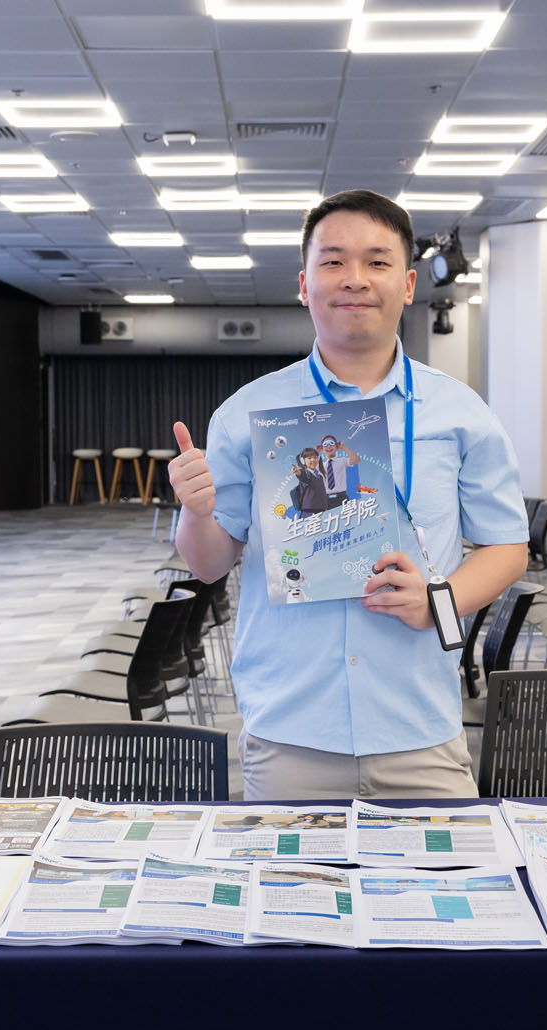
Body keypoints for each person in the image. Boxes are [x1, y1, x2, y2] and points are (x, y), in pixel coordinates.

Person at [169, 189, 528, 802]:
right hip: (290, 729)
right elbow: (208, 563)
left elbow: (507, 547)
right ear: (304, 285)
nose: (354, 279)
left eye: (377, 262)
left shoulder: (461, 413)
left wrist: (439, 601)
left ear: (408, 285)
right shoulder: (248, 414)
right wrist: (196, 511)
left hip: (419, 727)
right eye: (333, 261)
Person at [317, 434, 360, 508]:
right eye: (325, 444)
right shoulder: (321, 465)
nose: (329, 446)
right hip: (326, 499)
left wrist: (343, 447)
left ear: (336, 447)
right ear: (322, 449)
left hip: (341, 497)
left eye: (332, 443)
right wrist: (316, 452)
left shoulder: (343, 460)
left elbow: (356, 460)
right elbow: (307, 468)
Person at [290, 447, 332, 514]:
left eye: (315, 457)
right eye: (309, 458)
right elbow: (300, 473)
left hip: (322, 510)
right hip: (309, 512)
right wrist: (296, 471)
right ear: (303, 461)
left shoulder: (320, 476)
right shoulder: (305, 473)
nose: (313, 460)